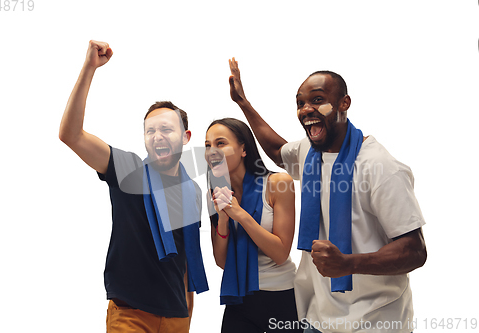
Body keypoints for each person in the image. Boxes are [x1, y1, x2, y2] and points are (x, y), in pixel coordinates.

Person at [227, 58, 427, 333]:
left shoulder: (379, 167)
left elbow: (415, 250)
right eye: (300, 103)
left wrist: (348, 263)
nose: (306, 110)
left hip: (375, 322)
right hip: (317, 320)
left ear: (344, 103)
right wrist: (243, 103)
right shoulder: (309, 154)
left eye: (318, 100)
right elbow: (277, 152)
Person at [59, 40, 208, 333]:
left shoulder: (193, 190)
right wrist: (89, 68)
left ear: (186, 136)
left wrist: (188, 315)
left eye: (166, 129)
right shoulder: (128, 169)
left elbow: (186, 257)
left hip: (177, 317)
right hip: (131, 314)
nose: (157, 136)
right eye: (150, 131)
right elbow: (71, 134)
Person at [205, 118, 301, 333]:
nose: (212, 151)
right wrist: (223, 219)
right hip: (240, 297)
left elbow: (280, 253)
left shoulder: (278, 183)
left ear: (243, 150)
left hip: (282, 296)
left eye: (220, 143)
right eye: (207, 145)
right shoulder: (214, 193)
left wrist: (241, 215)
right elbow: (222, 262)